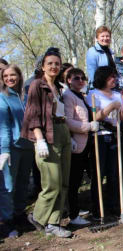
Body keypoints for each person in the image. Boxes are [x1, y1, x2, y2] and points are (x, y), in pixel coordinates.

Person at [21, 50, 72, 238]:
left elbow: (60, 112)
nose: (54, 67)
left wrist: (69, 136)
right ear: (42, 66)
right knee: (52, 183)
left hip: (62, 131)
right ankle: (37, 216)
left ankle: (53, 222)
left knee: (63, 182)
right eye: (50, 63)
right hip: (47, 135)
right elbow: (33, 114)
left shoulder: (59, 87)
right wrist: (39, 139)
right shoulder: (37, 85)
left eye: (57, 64)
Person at [86, 66, 123, 218]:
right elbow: (94, 116)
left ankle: (114, 206)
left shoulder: (117, 94)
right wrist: (111, 106)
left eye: (115, 77)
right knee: (99, 173)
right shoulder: (93, 94)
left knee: (114, 173)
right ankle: (98, 209)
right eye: (111, 77)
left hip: (116, 136)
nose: (114, 80)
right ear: (103, 78)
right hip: (100, 137)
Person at [63, 68, 98, 225]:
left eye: (82, 78)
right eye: (76, 78)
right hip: (76, 144)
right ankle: (73, 215)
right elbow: (68, 121)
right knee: (74, 181)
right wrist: (88, 126)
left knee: (79, 179)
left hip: (86, 144)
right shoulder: (68, 96)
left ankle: (76, 209)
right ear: (69, 80)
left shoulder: (82, 96)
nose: (80, 80)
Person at [0, 65, 27, 238]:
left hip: (28, 146)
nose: (10, 78)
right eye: (6, 76)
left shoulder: (24, 96)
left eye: (13, 75)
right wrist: (4, 150)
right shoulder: (3, 97)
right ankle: (7, 222)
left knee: (23, 184)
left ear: (19, 76)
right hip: (11, 148)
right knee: (8, 187)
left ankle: (19, 214)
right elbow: (3, 126)